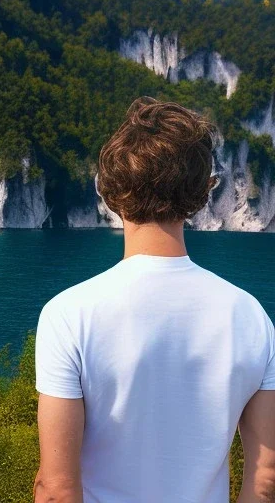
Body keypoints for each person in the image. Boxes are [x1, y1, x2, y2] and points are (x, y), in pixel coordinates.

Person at [33, 96, 275, 503]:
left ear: (109, 192)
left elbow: (55, 488)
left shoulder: (69, 315)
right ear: (201, 195)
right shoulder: (251, 316)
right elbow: (266, 480)